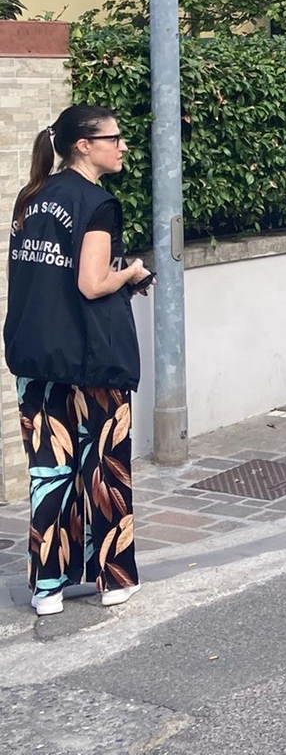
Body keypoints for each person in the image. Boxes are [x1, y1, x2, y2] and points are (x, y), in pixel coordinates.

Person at [6, 105, 151, 616]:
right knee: (103, 470)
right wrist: (130, 272)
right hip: (91, 362)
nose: (123, 146)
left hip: (37, 358)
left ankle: (47, 589)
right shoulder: (97, 202)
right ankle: (113, 579)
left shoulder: (32, 198)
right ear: (84, 145)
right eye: (114, 138)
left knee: (50, 472)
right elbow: (91, 284)